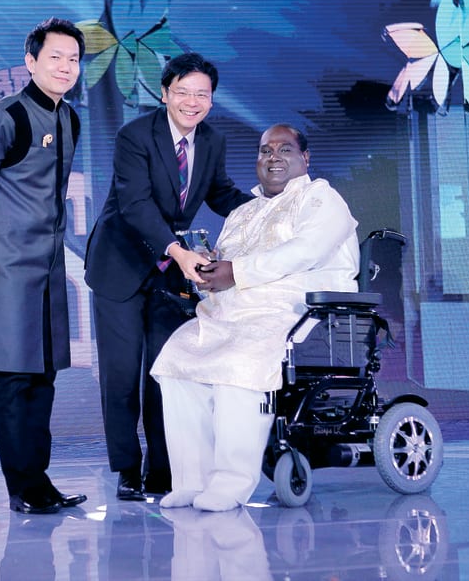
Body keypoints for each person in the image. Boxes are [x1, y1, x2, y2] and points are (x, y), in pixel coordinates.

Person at [150, 124, 360, 512]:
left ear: (305, 158)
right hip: (229, 311)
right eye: (266, 151)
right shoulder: (244, 211)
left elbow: (304, 252)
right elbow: (227, 263)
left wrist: (237, 272)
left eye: (284, 150)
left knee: (238, 360)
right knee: (177, 360)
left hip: (297, 311)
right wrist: (210, 272)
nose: (273, 158)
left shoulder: (321, 199)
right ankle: (191, 481)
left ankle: (230, 483)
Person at [84, 52, 253, 501]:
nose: (192, 102)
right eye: (182, 92)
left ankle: (164, 470)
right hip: (120, 265)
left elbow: (220, 193)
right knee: (120, 376)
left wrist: (267, 208)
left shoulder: (212, 141)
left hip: (168, 277)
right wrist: (178, 251)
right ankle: (126, 470)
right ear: (164, 94)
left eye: (202, 94)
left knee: (167, 374)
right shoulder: (135, 136)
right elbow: (135, 204)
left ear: (212, 100)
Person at [0, 17, 88, 514]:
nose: (65, 67)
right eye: (55, 57)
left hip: (49, 265)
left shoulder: (70, 118)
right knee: (13, 377)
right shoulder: (6, 116)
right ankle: (22, 488)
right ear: (30, 62)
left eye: (73, 59)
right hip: (7, 264)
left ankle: (40, 480)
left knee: (44, 376)